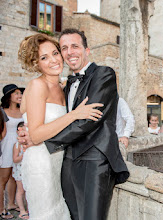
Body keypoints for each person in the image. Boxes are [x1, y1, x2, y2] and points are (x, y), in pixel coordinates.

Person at [20, 29, 130, 220]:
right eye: (63, 48)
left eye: (74, 46)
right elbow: (27, 110)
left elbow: (87, 120)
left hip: (93, 161)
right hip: (57, 162)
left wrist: (38, 138)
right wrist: (27, 129)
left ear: (87, 50)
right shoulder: (55, 85)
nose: (67, 53)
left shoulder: (102, 74)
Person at [0, 84, 25, 219]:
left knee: (14, 178)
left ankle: (11, 203)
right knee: (3, 179)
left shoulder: (23, 110)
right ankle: (1, 209)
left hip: (20, 145)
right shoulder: (2, 111)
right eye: (16, 93)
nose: (20, 95)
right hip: (6, 145)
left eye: (20, 93)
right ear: (9, 97)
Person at [12, 122, 28, 219]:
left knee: (28, 190)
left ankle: (28, 208)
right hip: (20, 170)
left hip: (28, 169)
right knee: (21, 190)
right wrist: (24, 155)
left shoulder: (30, 143)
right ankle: (22, 210)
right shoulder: (17, 145)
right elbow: (15, 159)